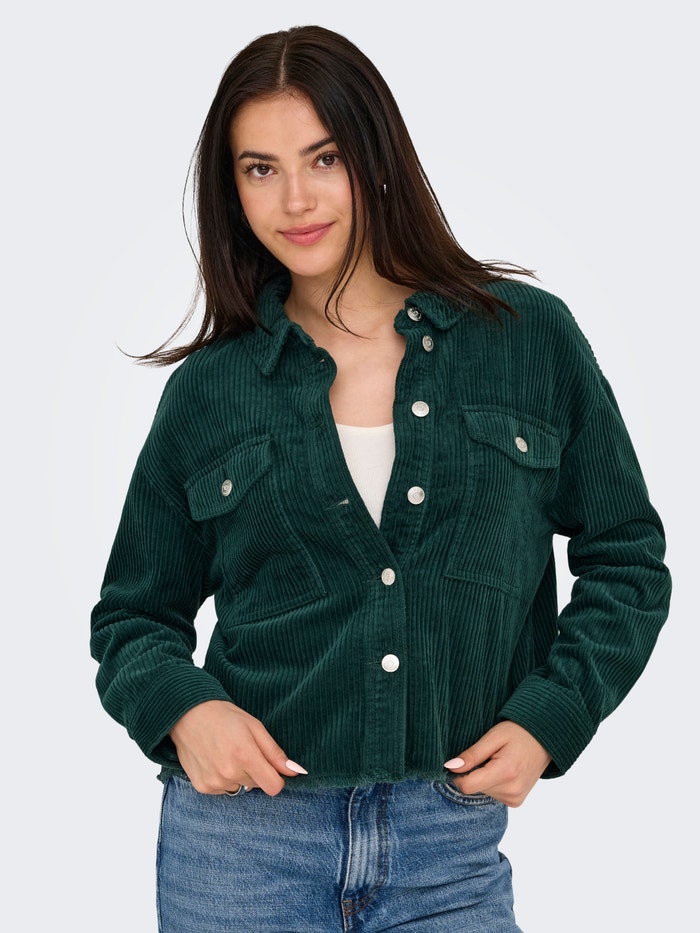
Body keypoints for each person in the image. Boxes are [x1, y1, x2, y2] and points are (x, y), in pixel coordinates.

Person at [90, 24, 671, 932]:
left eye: (324, 158)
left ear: (377, 158)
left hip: (448, 844)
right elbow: (132, 617)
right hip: (240, 848)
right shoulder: (211, 391)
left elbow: (627, 555)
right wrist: (187, 712)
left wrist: (554, 714)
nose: (295, 199)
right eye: (260, 169)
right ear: (232, 190)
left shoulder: (528, 340)